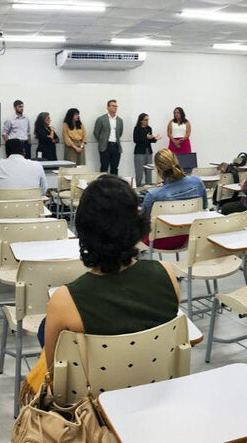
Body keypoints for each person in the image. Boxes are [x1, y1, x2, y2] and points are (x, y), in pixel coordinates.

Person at [41, 175, 181, 367]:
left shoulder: (64, 300)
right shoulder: (167, 274)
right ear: (136, 224)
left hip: (91, 394)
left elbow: (53, 372)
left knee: (45, 327)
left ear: (83, 229)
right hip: (156, 386)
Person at [141, 149, 207, 250]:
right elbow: (204, 207)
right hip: (190, 236)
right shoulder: (197, 182)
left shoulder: (153, 195)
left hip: (160, 240)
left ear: (158, 170)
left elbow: (143, 222)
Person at [93, 99, 123, 175]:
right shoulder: (101, 119)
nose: (115, 108)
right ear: (108, 107)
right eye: (113, 106)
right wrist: (102, 141)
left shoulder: (119, 120)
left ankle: (114, 185)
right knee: (104, 167)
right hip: (105, 146)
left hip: (116, 146)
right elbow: (96, 132)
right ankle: (103, 185)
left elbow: (120, 133)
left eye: (116, 106)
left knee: (115, 168)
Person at [133, 113, 160, 187]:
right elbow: (136, 140)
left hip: (148, 151)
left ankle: (149, 184)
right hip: (139, 151)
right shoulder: (137, 129)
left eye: (148, 120)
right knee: (139, 170)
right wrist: (146, 137)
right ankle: (138, 185)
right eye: (145, 120)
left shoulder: (149, 128)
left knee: (149, 169)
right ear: (141, 120)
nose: (147, 121)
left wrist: (154, 139)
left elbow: (150, 140)